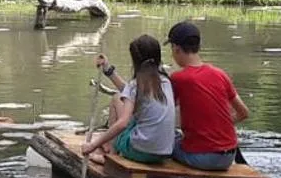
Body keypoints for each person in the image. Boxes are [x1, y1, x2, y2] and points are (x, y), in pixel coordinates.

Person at [164, 20, 247, 170]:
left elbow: (162, 112)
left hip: (202, 158)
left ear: (176, 48)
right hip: (228, 157)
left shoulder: (179, 78)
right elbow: (243, 113)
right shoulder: (220, 74)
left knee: (166, 139)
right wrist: (218, 127)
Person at [83, 34, 176, 165]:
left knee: (116, 99)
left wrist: (92, 145)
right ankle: (109, 146)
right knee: (125, 105)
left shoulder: (137, 84)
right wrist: (109, 71)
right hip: (164, 152)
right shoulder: (166, 81)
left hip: (142, 152)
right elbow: (129, 92)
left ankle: (110, 155)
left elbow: (123, 123)